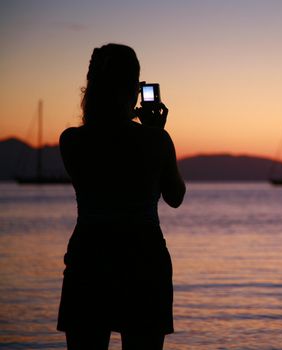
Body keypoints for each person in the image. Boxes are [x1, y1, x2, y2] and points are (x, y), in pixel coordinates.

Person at [57, 43, 186, 350]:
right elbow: (175, 196)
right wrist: (156, 132)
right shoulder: (156, 140)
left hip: (89, 258)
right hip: (143, 259)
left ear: (91, 88)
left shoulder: (72, 141)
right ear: (134, 89)